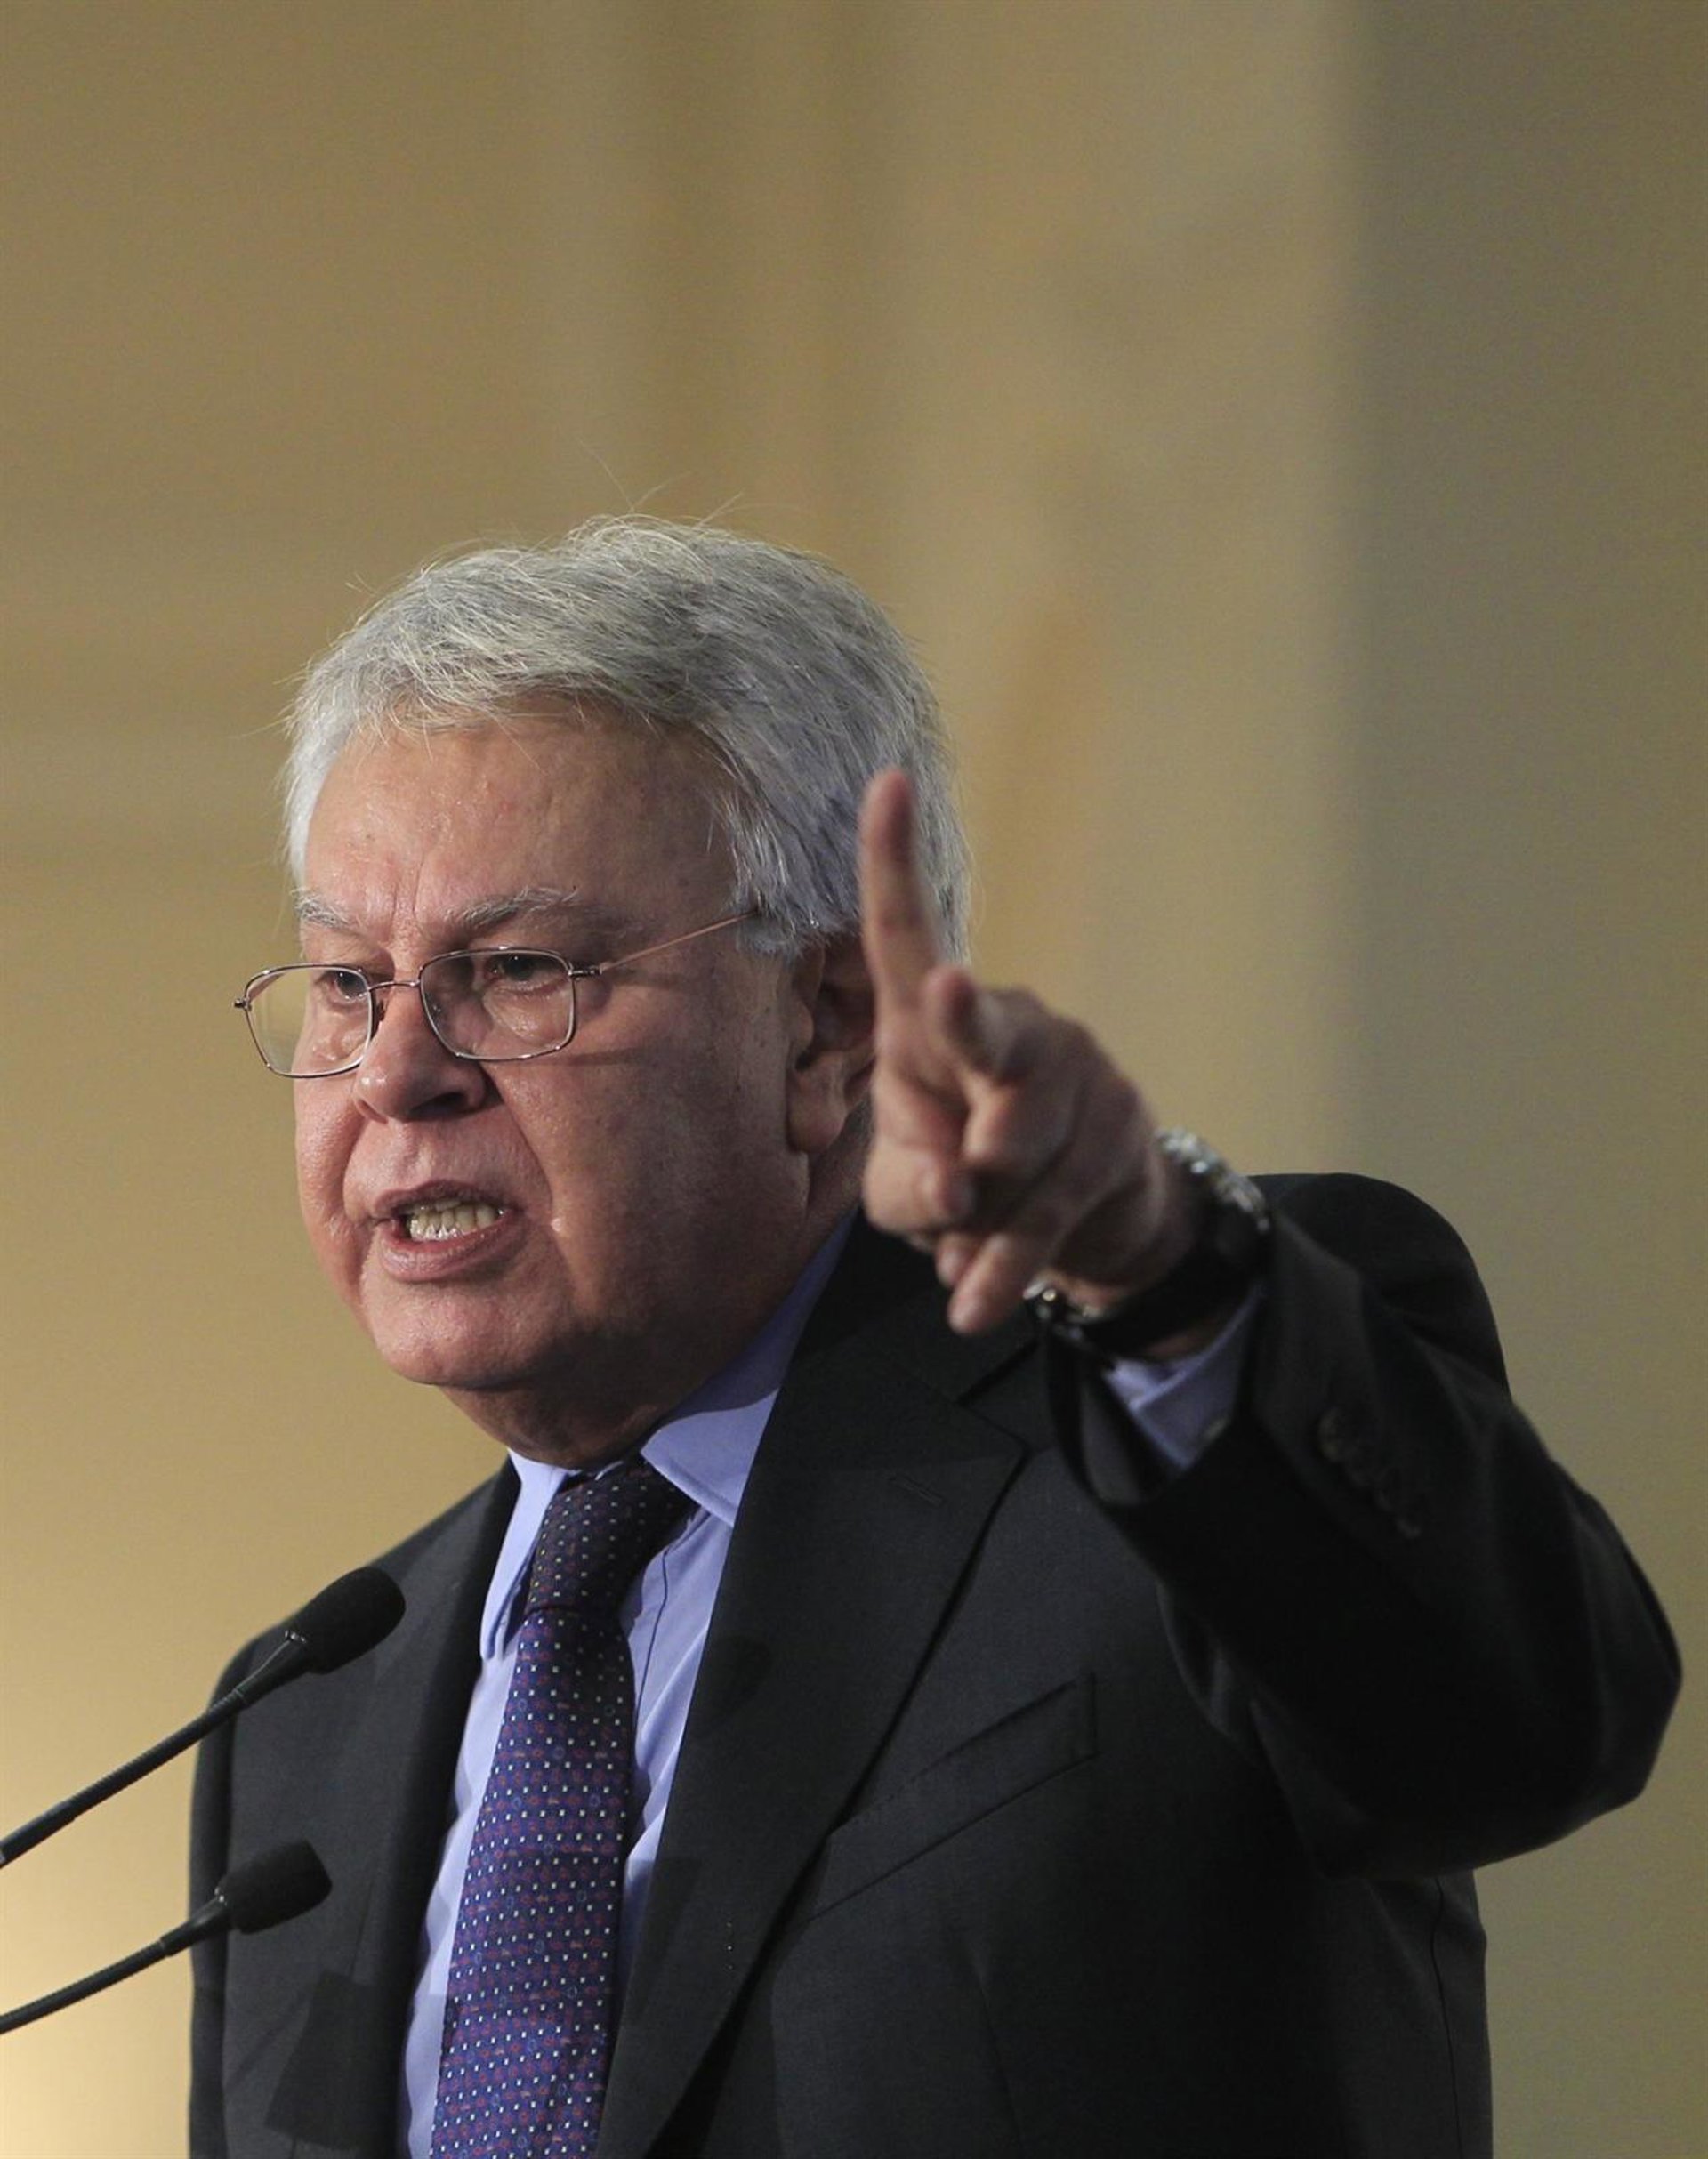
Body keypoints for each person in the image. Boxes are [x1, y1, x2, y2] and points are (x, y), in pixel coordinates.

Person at [192, 520, 1677, 2159]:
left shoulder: (1174, 1439)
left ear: (826, 1024)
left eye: (520, 970)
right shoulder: (295, 1726)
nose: (399, 1073)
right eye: (349, 985)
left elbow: (1518, 1733)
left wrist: (1168, 1273)